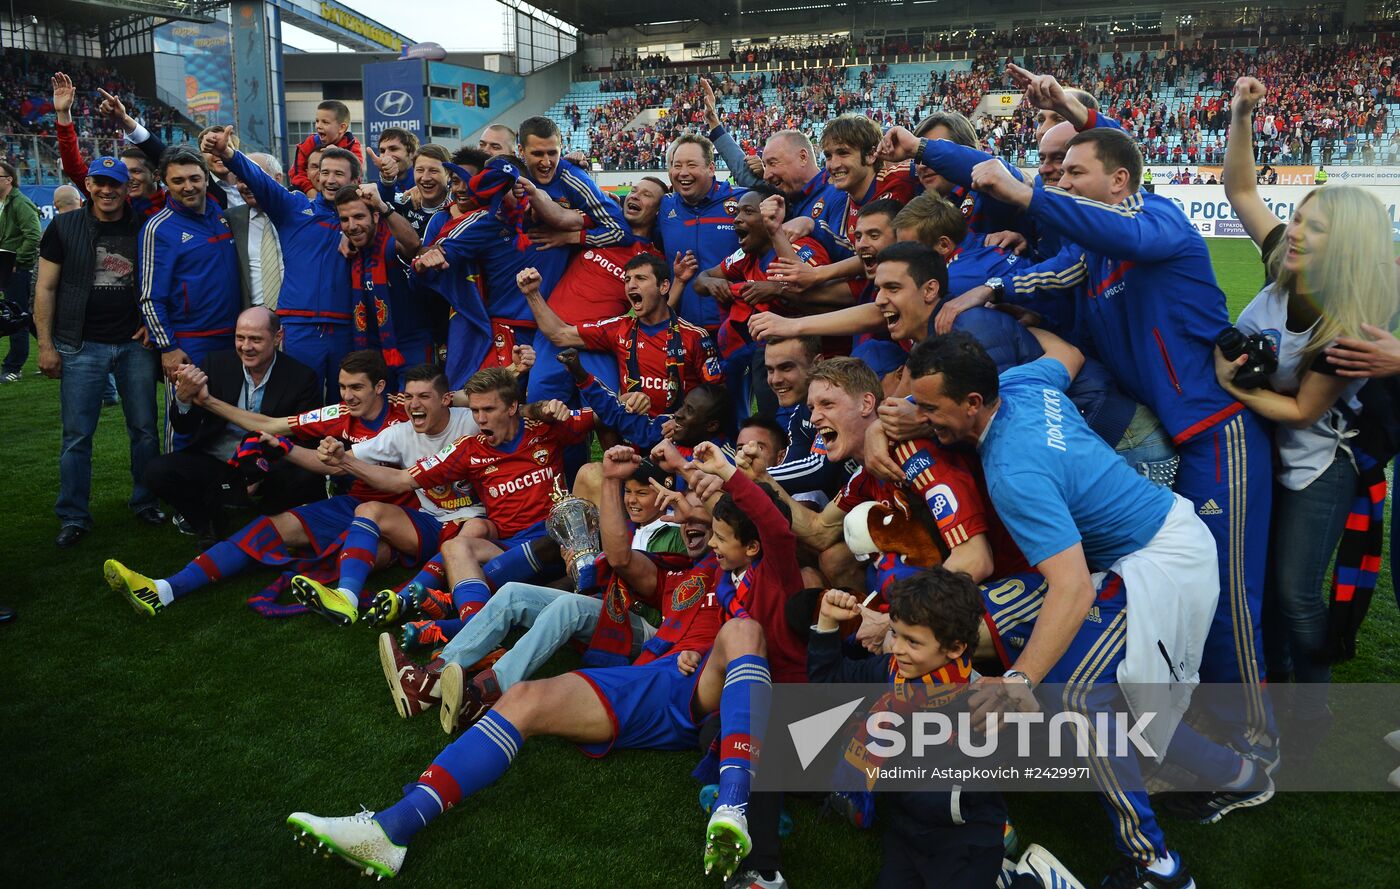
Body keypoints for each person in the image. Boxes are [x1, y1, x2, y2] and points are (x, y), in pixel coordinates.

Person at [281, 447, 750, 883]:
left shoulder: (763, 578)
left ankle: (735, 804)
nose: (694, 521)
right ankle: (391, 827)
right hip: (654, 670)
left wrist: (712, 479)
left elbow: (779, 539)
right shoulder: (683, 572)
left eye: (714, 526)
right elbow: (623, 558)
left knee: (737, 633)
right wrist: (610, 480)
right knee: (525, 692)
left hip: (695, 683)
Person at [906, 332, 1272, 888]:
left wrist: (1021, 680)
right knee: (997, 621)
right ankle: (1241, 775)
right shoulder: (1020, 383)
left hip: (1159, 567)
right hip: (1132, 554)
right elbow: (1069, 354)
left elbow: (1071, 589)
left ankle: (1158, 867)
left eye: (929, 407)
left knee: (1077, 695)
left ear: (973, 403)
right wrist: (1011, 305)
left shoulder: (1013, 472)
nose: (919, 416)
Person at [965, 126, 1276, 759]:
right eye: (1057, 174)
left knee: (1231, 595)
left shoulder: (1154, 218)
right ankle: (1203, 721)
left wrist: (1026, 196)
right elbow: (1064, 282)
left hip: (1217, 433)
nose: (1062, 181)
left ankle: (1256, 737)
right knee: (1196, 588)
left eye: (1075, 172)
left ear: (1120, 181)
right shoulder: (1098, 258)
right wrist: (1001, 290)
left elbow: (1119, 226)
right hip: (1179, 437)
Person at [1220, 76, 1400, 745]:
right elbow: (1241, 191)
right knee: (1264, 584)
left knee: (1296, 593)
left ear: (1345, 245)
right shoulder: (1280, 262)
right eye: (1296, 215)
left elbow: (1299, 410)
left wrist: (1227, 381)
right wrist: (1241, 116)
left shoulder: (1344, 322)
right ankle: (1275, 684)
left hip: (1318, 468)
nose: (1293, 230)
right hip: (1270, 457)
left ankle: (1312, 714)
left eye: (1313, 227)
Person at [377, 446, 705, 726]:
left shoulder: (677, 533)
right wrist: (577, 569)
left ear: (663, 493)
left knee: (568, 606)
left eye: (642, 493)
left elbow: (655, 594)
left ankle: (485, 692)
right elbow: (597, 582)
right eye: (628, 493)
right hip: (608, 610)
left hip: (655, 630)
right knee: (512, 593)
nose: (632, 501)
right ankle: (431, 678)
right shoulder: (623, 526)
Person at [103, 350, 414, 614]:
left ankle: (342, 594)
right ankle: (164, 589)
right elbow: (269, 424)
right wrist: (208, 401)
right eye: (343, 386)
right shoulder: (340, 412)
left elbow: (450, 407)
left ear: (380, 386)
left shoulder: (410, 411)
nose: (347, 395)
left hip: (405, 514)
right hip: (355, 504)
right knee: (264, 531)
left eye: (356, 387)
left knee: (365, 554)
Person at [303, 367, 596, 625]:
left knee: (590, 475)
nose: (480, 419)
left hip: (561, 542)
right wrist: (346, 461)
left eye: (488, 410)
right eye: (475, 411)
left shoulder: (546, 429)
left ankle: (449, 613)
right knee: (457, 548)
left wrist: (631, 401)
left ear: (512, 408)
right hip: (508, 549)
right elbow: (401, 479)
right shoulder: (468, 448)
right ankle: (468, 622)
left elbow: (601, 416)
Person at [810, 576, 1015, 889]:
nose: (898, 649)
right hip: (908, 837)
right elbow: (829, 684)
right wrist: (826, 623)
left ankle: (1023, 880)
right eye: (895, 634)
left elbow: (943, 797)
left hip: (963, 843)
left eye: (913, 642)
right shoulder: (893, 674)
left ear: (955, 647)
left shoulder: (982, 706)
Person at [34, 156, 162, 547]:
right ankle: (73, 515)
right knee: (77, 435)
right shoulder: (65, 224)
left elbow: (160, 276)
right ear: (88, 184)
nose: (107, 191)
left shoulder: (144, 225)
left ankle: (146, 501)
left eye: (116, 184)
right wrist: (45, 345)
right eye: (100, 183)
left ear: (128, 187)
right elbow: (45, 287)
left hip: (133, 344)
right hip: (80, 345)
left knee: (144, 431)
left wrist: (150, 320)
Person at [203, 126, 360, 402]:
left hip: (347, 328)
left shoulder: (361, 219)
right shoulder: (294, 208)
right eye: (325, 173)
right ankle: (298, 447)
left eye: (339, 173)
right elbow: (260, 181)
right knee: (299, 403)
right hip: (299, 326)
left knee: (346, 405)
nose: (330, 180)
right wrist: (229, 155)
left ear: (356, 179)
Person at [144, 307, 324, 545]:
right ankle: (207, 523)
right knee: (157, 471)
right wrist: (183, 400)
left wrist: (258, 468)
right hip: (220, 460)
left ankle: (266, 524)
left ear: (278, 337)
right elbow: (184, 426)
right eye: (240, 338)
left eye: (256, 339)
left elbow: (304, 440)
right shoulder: (216, 364)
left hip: (270, 463)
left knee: (307, 476)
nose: (246, 347)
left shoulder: (302, 377)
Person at [524, 252, 722, 419]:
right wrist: (532, 294)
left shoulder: (695, 337)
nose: (630, 285)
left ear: (663, 286)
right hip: (634, 442)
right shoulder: (619, 329)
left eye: (640, 279)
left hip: (683, 439)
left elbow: (717, 395)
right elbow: (560, 335)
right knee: (607, 409)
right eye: (627, 279)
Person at [137, 145, 243, 449]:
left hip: (233, 339)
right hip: (190, 341)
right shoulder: (159, 228)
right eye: (178, 180)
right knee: (186, 416)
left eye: (194, 178)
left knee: (229, 418)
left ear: (206, 177)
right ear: (165, 183)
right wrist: (168, 347)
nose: (188, 186)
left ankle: (225, 486)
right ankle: (180, 488)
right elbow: (149, 296)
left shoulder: (223, 216)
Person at [657, 133, 745, 332]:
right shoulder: (665, 206)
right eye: (677, 165)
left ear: (711, 169)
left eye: (691, 165)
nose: (683, 172)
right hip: (684, 331)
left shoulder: (743, 201)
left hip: (736, 329)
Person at [225, 152, 285, 309]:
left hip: (296, 316)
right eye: (240, 179)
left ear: (277, 179)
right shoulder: (229, 219)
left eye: (253, 176)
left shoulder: (300, 213)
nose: (245, 184)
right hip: (251, 322)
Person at [0, 159, 42, 382]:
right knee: (31, 318)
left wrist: (18, 261)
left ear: (9, 179)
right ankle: (55, 355)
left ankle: (12, 367)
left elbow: (34, 235)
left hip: (19, 269)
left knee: (15, 317)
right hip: (9, 268)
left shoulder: (20, 203)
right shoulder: (5, 203)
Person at [291, 99, 364, 196]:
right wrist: (310, 191)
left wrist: (339, 153)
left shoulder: (351, 143)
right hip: (310, 194)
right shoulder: (308, 144)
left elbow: (357, 171)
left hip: (342, 196)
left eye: (325, 122)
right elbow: (297, 174)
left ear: (342, 128)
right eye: (317, 121)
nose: (318, 126)